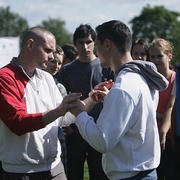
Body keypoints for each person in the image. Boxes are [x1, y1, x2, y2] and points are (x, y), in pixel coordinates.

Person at [69, 20, 169, 180]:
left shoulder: (123, 87)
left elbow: (102, 142)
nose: (95, 50)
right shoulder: (142, 78)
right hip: (143, 172)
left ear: (107, 44)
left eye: (97, 45)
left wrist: (80, 114)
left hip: (131, 175)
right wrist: (111, 99)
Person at [0, 26, 81, 180]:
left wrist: (92, 99)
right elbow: (18, 123)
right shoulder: (5, 77)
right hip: (22, 171)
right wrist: (59, 110)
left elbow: (63, 119)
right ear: (30, 44)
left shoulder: (46, 77)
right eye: (48, 50)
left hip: (55, 167)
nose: (52, 56)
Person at [57, 24, 114, 180]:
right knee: (74, 173)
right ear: (75, 44)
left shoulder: (107, 67)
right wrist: (66, 125)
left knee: (99, 173)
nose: (85, 46)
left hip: (99, 128)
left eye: (89, 42)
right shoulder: (67, 70)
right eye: (81, 42)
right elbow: (59, 99)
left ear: (94, 43)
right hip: (75, 131)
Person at [149, 38, 178, 180]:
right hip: (151, 139)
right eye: (152, 57)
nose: (156, 60)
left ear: (169, 55)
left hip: (171, 139)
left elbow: (171, 108)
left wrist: (159, 117)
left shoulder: (175, 79)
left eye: (160, 56)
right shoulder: (148, 81)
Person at [42, 45, 68, 175]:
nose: (56, 65)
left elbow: (65, 116)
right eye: (53, 61)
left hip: (57, 133)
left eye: (60, 63)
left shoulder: (60, 87)